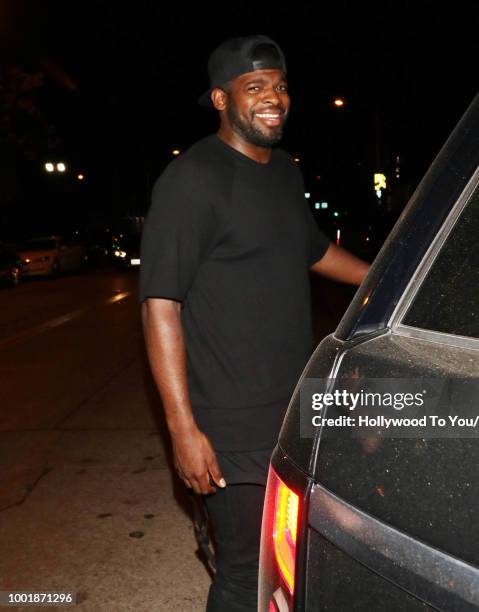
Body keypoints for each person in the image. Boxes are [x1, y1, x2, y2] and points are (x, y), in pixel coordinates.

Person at [139, 34, 370, 612]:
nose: (275, 97)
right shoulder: (193, 180)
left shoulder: (286, 171)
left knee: (297, 556)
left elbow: (312, 250)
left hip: (296, 404)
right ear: (221, 99)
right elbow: (159, 304)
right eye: (256, 87)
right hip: (230, 422)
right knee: (245, 573)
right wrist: (182, 430)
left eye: (281, 85)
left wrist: (387, 280)